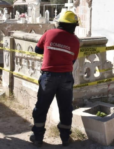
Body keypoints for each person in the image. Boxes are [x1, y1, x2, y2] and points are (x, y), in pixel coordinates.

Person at [30, 11, 80, 147]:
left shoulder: (50, 33)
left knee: (41, 107)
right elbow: (73, 60)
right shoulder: (75, 41)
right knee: (65, 108)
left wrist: (51, 50)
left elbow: (37, 49)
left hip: (48, 76)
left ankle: (38, 137)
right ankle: (65, 138)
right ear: (73, 26)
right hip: (66, 77)